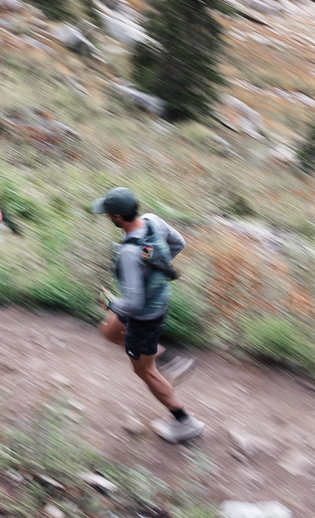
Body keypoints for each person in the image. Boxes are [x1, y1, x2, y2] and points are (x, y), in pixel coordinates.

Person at [91, 186, 205, 443]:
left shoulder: (130, 253)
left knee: (145, 371)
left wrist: (110, 302)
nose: (107, 217)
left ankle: (184, 421)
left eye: (109, 213)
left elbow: (132, 304)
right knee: (109, 331)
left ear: (118, 218)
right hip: (158, 300)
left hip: (144, 316)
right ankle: (167, 358)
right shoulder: (153, 221)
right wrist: (156, 270)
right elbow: (179, 243)